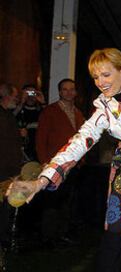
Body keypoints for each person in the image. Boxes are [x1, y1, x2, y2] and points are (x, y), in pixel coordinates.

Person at [7, 48, 121, 272]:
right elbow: (77, 144)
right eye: (96, 77)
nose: (100, 82)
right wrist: (40, 181)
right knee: (113, 234)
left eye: (106, 74)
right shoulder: (103, 110)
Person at [35, 78, 85, 246]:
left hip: (73, 166)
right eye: (65, 89)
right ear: (60, 92)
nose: (69, 92)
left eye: (72, 89)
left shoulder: (78, 113)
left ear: (75, 92)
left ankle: (62, 233)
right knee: (52, 201)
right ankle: (48, 236)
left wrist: (81, 161)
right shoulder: (50, 112)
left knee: (67, 201)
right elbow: (40, 138)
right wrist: (44, 162)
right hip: (55, 165)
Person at [0, 83, 22, 252]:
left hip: (8, 172)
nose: (17, 99)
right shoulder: (3, 118)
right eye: (15, 96)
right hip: (5, 173)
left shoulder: (7, 116)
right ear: (6, 95)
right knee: (5, 210)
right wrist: (13, 172)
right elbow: (6, 148)